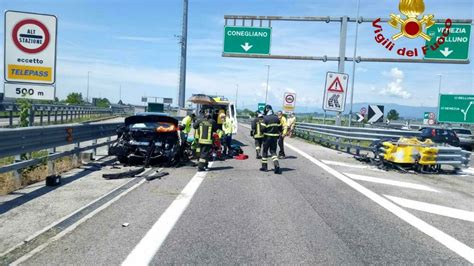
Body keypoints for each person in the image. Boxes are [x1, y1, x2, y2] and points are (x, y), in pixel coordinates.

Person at [260, 105, 282, 174]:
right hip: (275, 138)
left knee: (265, 152)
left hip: (267, 138)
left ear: (266, 109)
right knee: (273, 152)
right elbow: (280, 129)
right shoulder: (277, 118)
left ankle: (264, 167)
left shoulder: (265, 118)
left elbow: (262, 129)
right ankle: (276, 165)